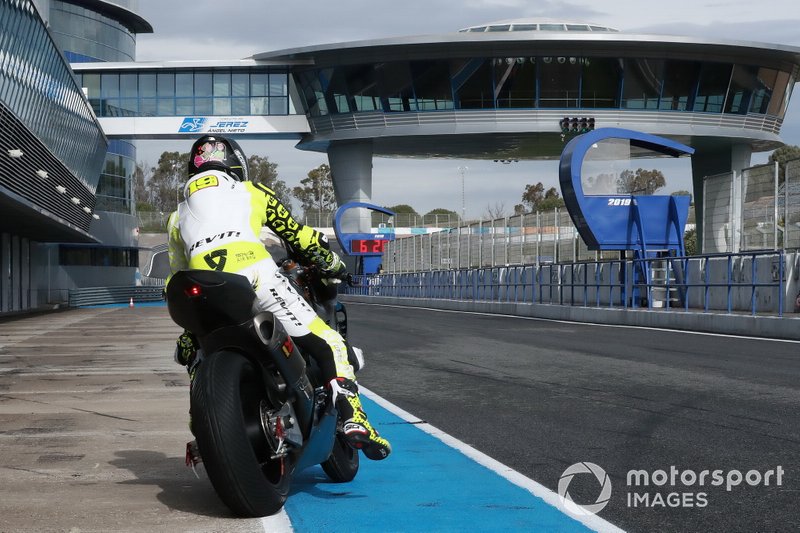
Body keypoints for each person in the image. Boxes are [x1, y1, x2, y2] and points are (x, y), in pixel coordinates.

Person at [167, 134, 390, 461]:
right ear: (237, 165)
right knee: (327, 341)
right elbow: (298, 237)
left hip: (200, 289)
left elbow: (176, 274)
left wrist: (188, 332)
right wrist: (331, 262)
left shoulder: (176, 216)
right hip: (255, 276)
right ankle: (354, 416)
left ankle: (200, 425)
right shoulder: (251, 192)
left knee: (194, 353)